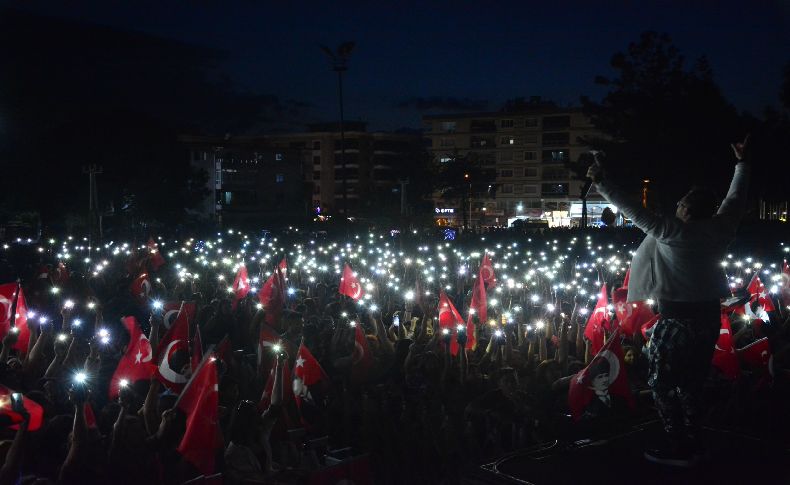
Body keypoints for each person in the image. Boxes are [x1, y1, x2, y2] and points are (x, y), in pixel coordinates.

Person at [586, 136, 751, 467]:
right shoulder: (722, 227)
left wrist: (601, 181)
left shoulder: (674, 232)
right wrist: (742, 165)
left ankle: (677, 444)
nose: (676, 206)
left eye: (680, 204)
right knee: (691, 384)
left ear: (687, 210)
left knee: (661, 384)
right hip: (707, 319)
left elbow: (632, 209)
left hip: (675, 322)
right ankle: (694, 440)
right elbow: (735, 199)